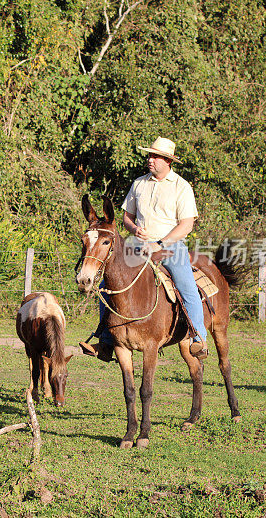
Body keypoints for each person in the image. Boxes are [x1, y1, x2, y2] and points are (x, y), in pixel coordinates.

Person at [81, 136, 209, 361]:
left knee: (187, 285)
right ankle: (106, 341)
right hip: (137, 247)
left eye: (155, 156)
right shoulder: (139, 183)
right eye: (150, 155)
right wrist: (133, 229)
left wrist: (160, 243)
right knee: (106, 284)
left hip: (170, 247)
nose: (150, 159)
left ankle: (198, 337)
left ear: (167, 161)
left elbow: (186, 224)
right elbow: (126, 217)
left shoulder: (181, 187)